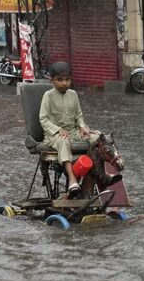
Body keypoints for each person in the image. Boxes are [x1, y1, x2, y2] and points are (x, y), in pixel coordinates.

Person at [39, 61, 101, 195]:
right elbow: (43, 119)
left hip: (73, 132)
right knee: (63, 140)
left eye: (67, 79)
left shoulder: (73, 94)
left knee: (97, 137)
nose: (64, 83)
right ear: (52, 81)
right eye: (60, 80)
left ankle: (99, 175)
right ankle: (72, 179)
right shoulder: (48, 96)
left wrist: (83, 127)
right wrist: (57, 130)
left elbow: (79, 115)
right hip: (54, 136)